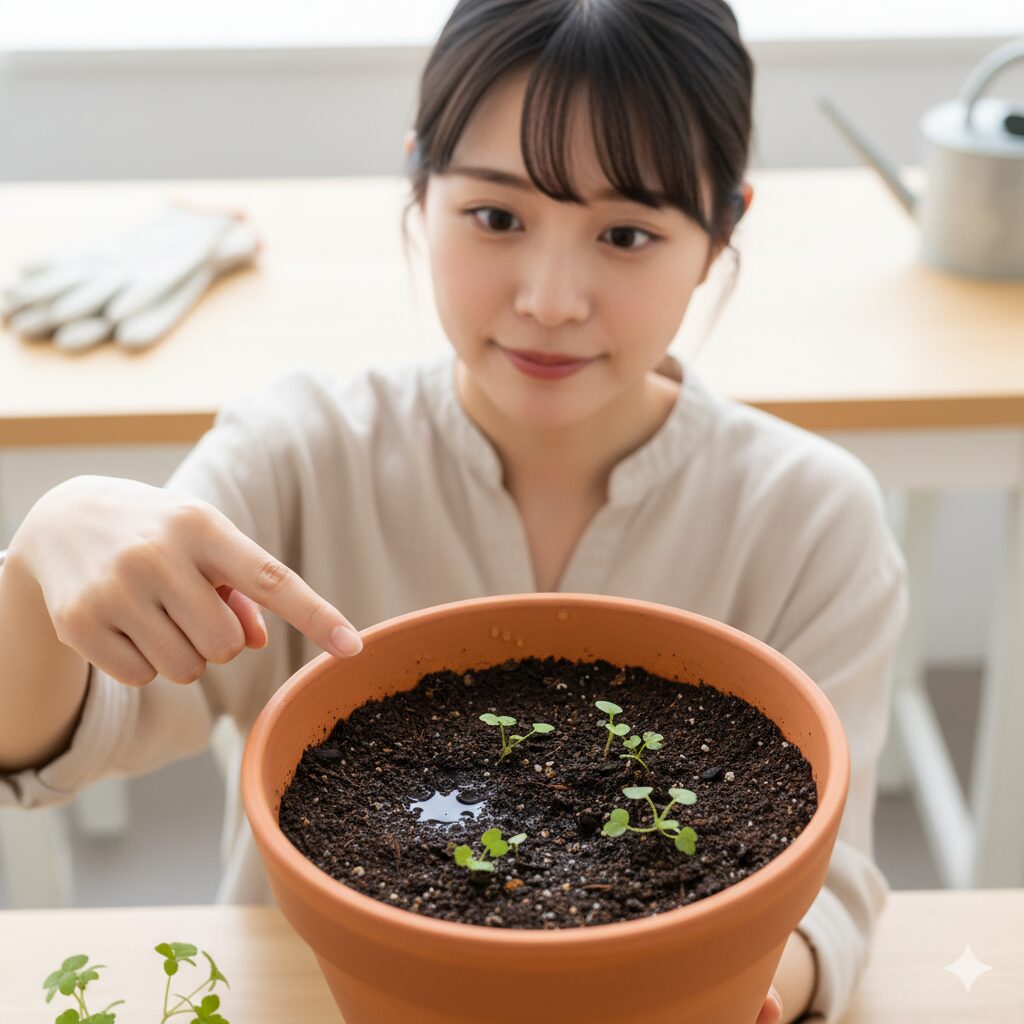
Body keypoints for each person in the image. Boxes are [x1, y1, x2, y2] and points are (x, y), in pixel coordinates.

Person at [0, 2, 907, 1021]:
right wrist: (38, 567)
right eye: (497, 216)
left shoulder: (808, 516)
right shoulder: (298, 453)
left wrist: (727, 988)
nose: (551, 297)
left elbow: (828, 885)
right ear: (418, 186)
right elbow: (50, 742)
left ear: (718, 234)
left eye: (625, 233)